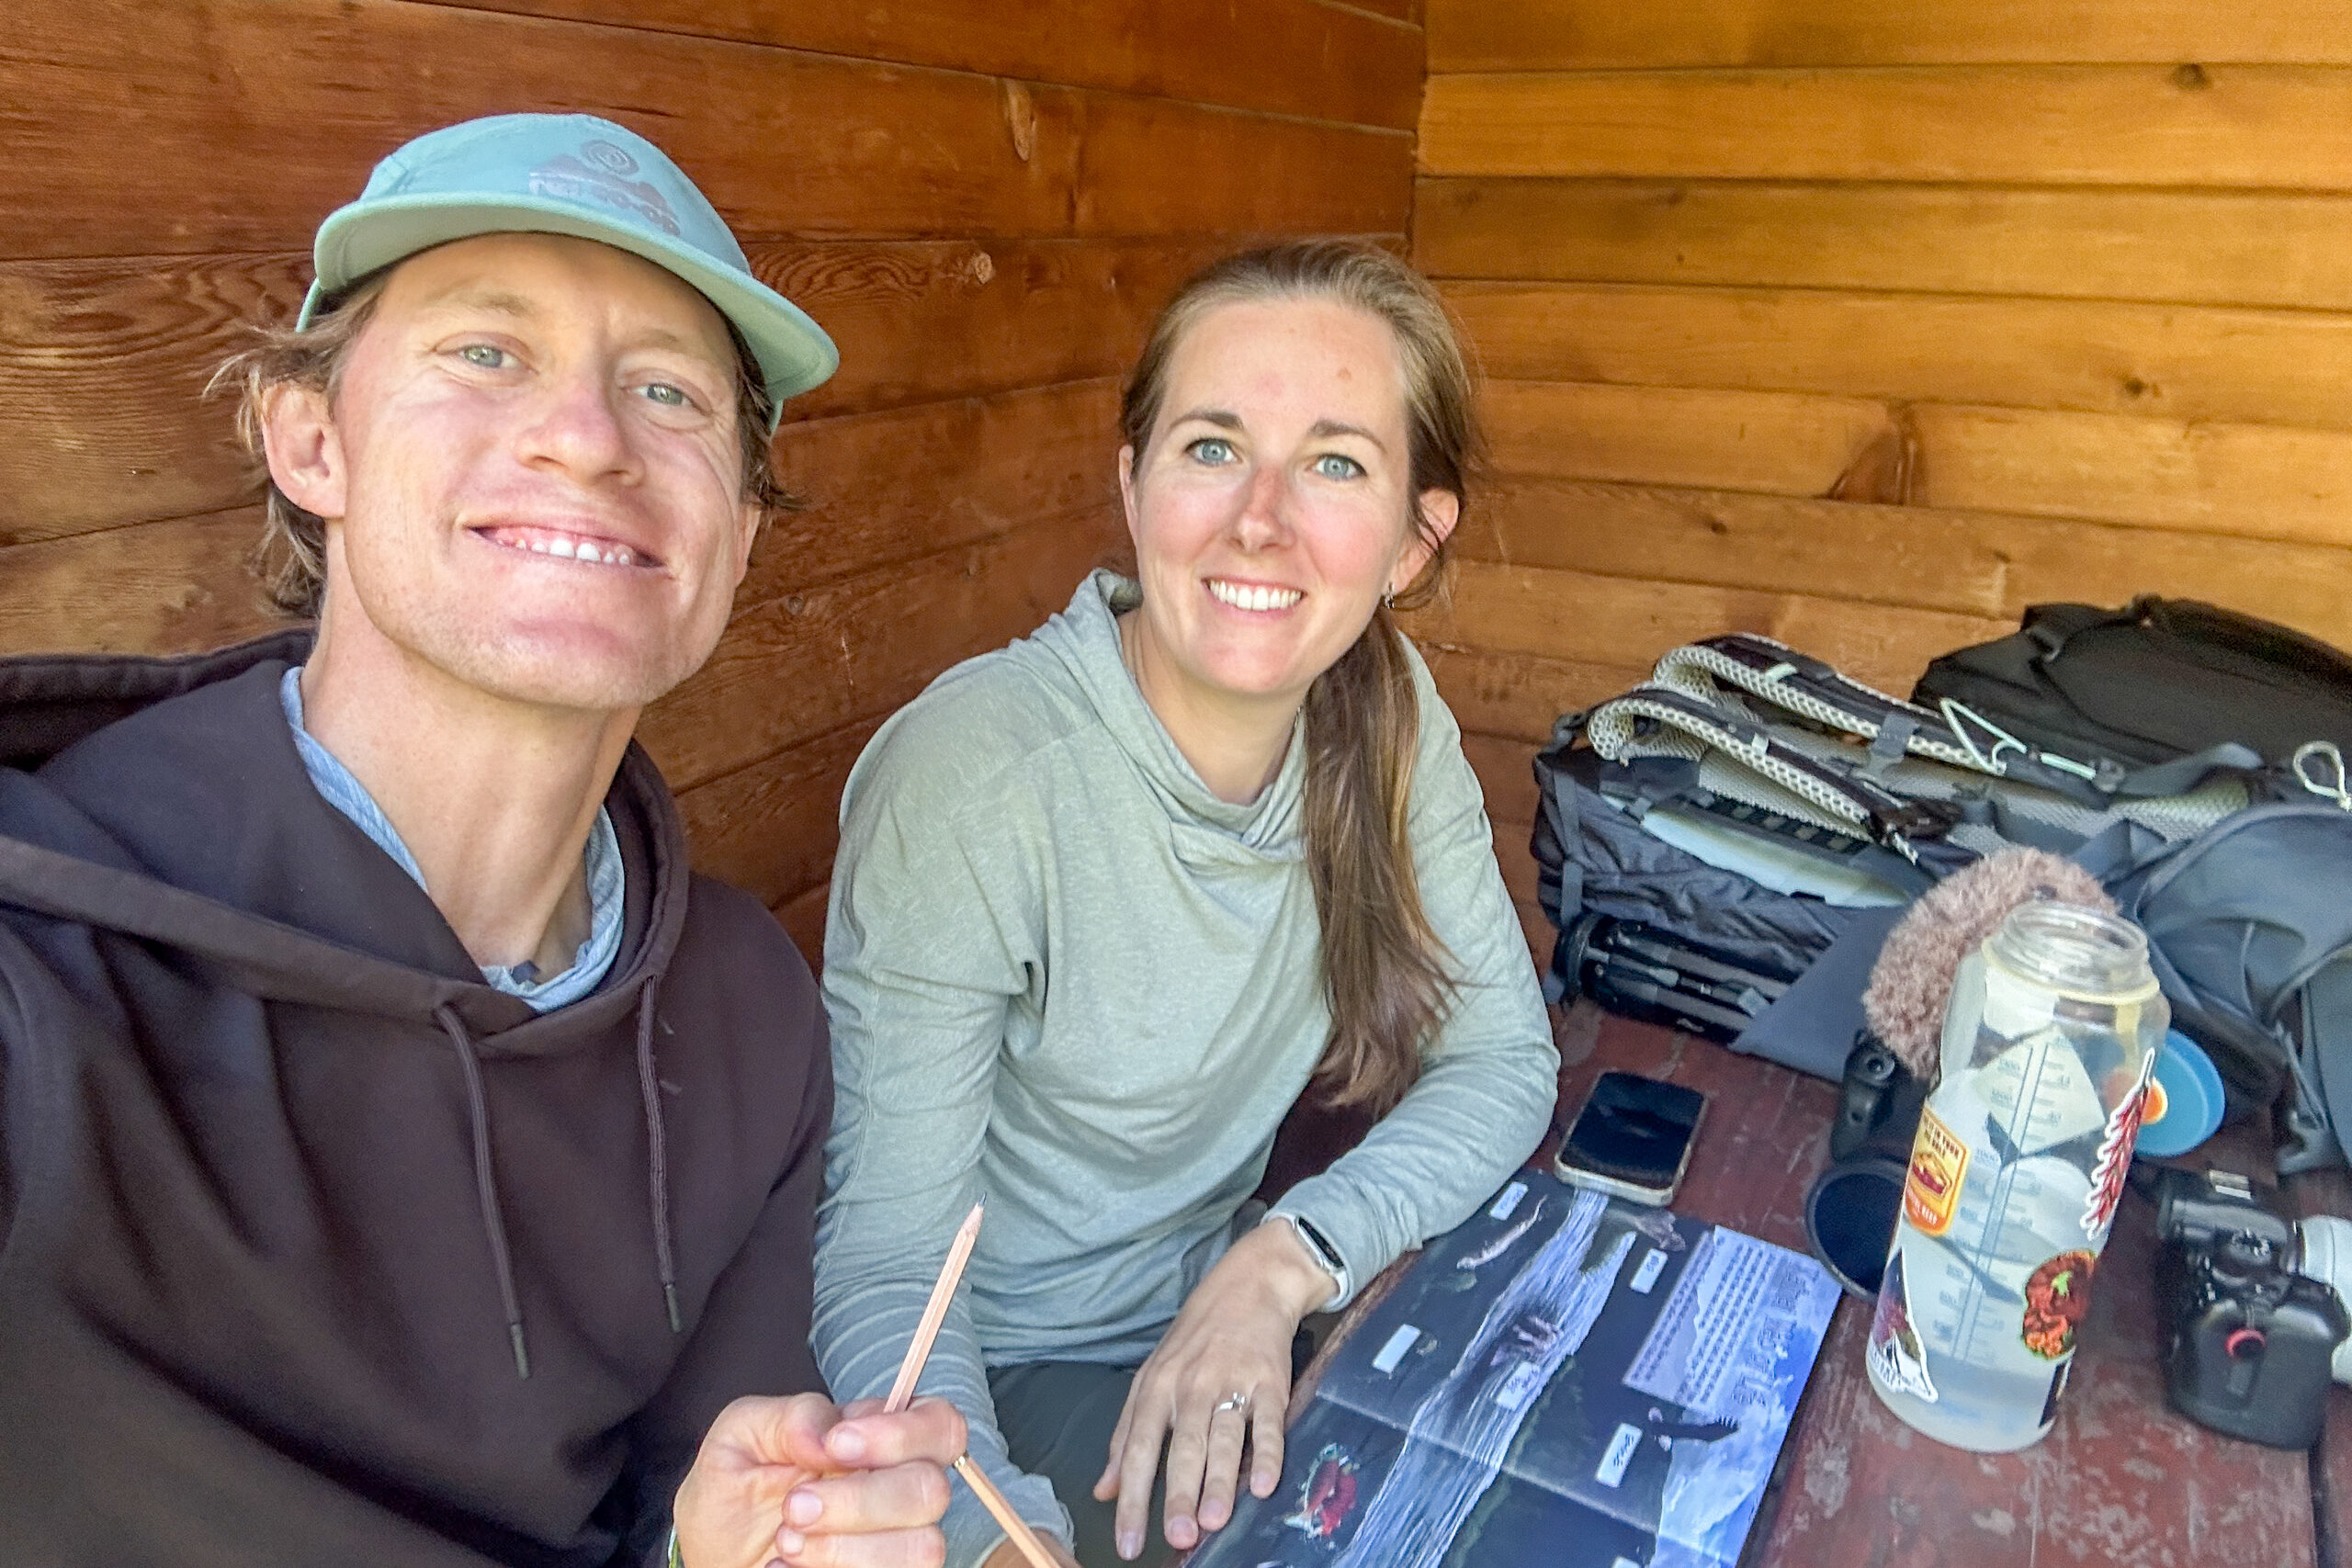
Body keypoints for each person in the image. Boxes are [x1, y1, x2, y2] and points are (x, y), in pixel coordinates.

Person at [0, 114, 963, 1567]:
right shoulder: (47, 966)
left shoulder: (747, 1010)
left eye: (667, 390)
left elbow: (679, 1511)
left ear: (741, 532)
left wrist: (731, 1546)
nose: (587, 437)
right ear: (311, 440)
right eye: (486, 353)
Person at [813, 242, 1561, 1568]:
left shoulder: (1385, 717)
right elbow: (886, 1271)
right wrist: (993, 1541)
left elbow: (1502, 1057)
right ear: (1134, 483)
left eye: (1335, 464)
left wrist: (1281, 1261)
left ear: (1414, 540)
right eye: (1213, 448)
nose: (1258, 519)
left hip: (1214, 1312)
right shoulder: (976, 777)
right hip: (996, 1382)